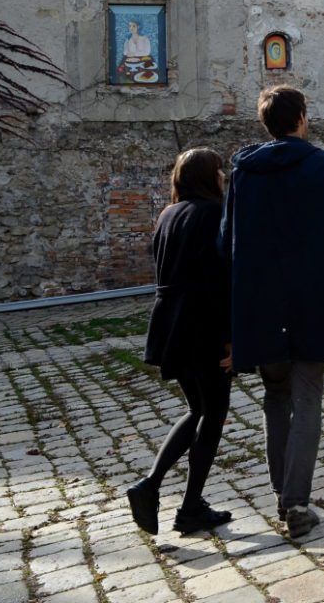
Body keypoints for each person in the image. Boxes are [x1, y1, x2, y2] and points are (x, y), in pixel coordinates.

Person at [223, 85, 324, 540]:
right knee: (307, 397)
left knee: (275, 396)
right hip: (315, 300)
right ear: (301, 117)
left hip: (260, 304)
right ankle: (295, 503)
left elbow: (227, 242)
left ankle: (285, 493)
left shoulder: (243, 174)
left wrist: (230, 313)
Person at [126, 148, 234, 536]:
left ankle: (157, 488)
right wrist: (229, 339)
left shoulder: (168, 214)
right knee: (214, 412)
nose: (224, 176)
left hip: (171, 322)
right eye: (219, 170)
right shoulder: (212, 214)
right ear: (209, 176)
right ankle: (184, 504)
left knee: (198, 409)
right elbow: (217, 281)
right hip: (202, 323)